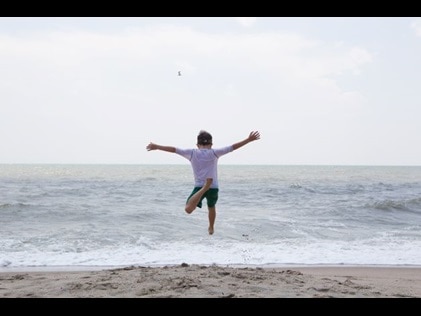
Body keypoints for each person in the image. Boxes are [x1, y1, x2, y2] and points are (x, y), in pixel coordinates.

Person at [146, 130, 261, 235]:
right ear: (211, 144)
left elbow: (174, 150)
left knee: (188, 209)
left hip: (199, 187)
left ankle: (204, 188)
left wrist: (157, 146)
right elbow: (232, 147)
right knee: (211, 206)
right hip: (213, 186)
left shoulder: (191, 153)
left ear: (197, 145)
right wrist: (248, 140)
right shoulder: (215, 152)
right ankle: (211, 227)